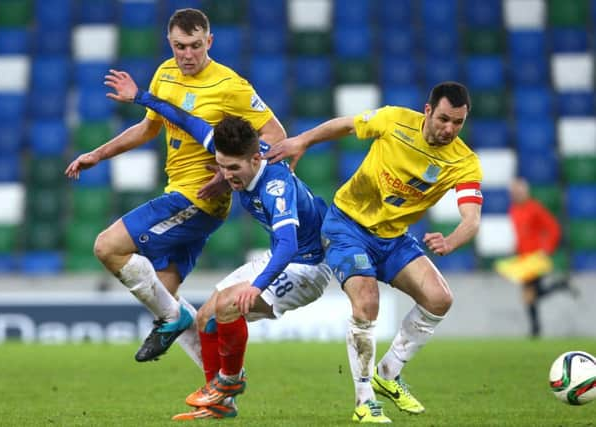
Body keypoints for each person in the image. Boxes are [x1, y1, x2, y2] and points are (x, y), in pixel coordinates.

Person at [103, 70, 332, 420]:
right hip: (283, 255)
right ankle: (218, 404)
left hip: (307, 265)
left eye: (233, 169)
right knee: (207, 314)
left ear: (257, 159)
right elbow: (186, 119)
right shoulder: (234, 156)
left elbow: (287, 246)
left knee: (228, 307)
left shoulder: (275, 185)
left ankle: (228, 383)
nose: (227, 175)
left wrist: (255, 288)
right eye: (222, 167)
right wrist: (141, 97)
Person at [64, 8, 286, 365]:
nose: (187, 55)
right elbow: (148, 128)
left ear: (209, 42)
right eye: (179, 46)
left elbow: (276, 137)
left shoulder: (231, 86)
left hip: (199, 199)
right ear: (170, 42)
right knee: (162, 293)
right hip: (179, 194)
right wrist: (98, 154)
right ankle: (220, 390)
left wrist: (229, 177)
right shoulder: (164, 74)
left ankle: (174, 319)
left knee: (107, 247)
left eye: (195, 46)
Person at [264, 82, 483, 423]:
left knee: (439, 299)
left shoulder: (464, 161)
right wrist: (303, 140)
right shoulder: (395, 120)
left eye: (458, 123)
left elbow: (471, 219)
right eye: (443, 119)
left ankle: (389, 372)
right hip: (347, 226)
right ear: (428, 111)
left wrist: (452, 240)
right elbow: (347, 124)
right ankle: (364, 399)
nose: (449, 129)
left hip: (393, 238)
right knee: (367, 301)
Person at [495, 177, 573, 338]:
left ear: (525, 191)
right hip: (524, 259)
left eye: (518, 191)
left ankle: (535, 330)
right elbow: (519, 234)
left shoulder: (535, 208)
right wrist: (514, 250)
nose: (516, 194)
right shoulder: (513, 210)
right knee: (531, 294)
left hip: (535, 259)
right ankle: (559, 287)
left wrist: (547, 248)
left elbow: (553, 227)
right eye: (514, 192)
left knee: (530, 294)